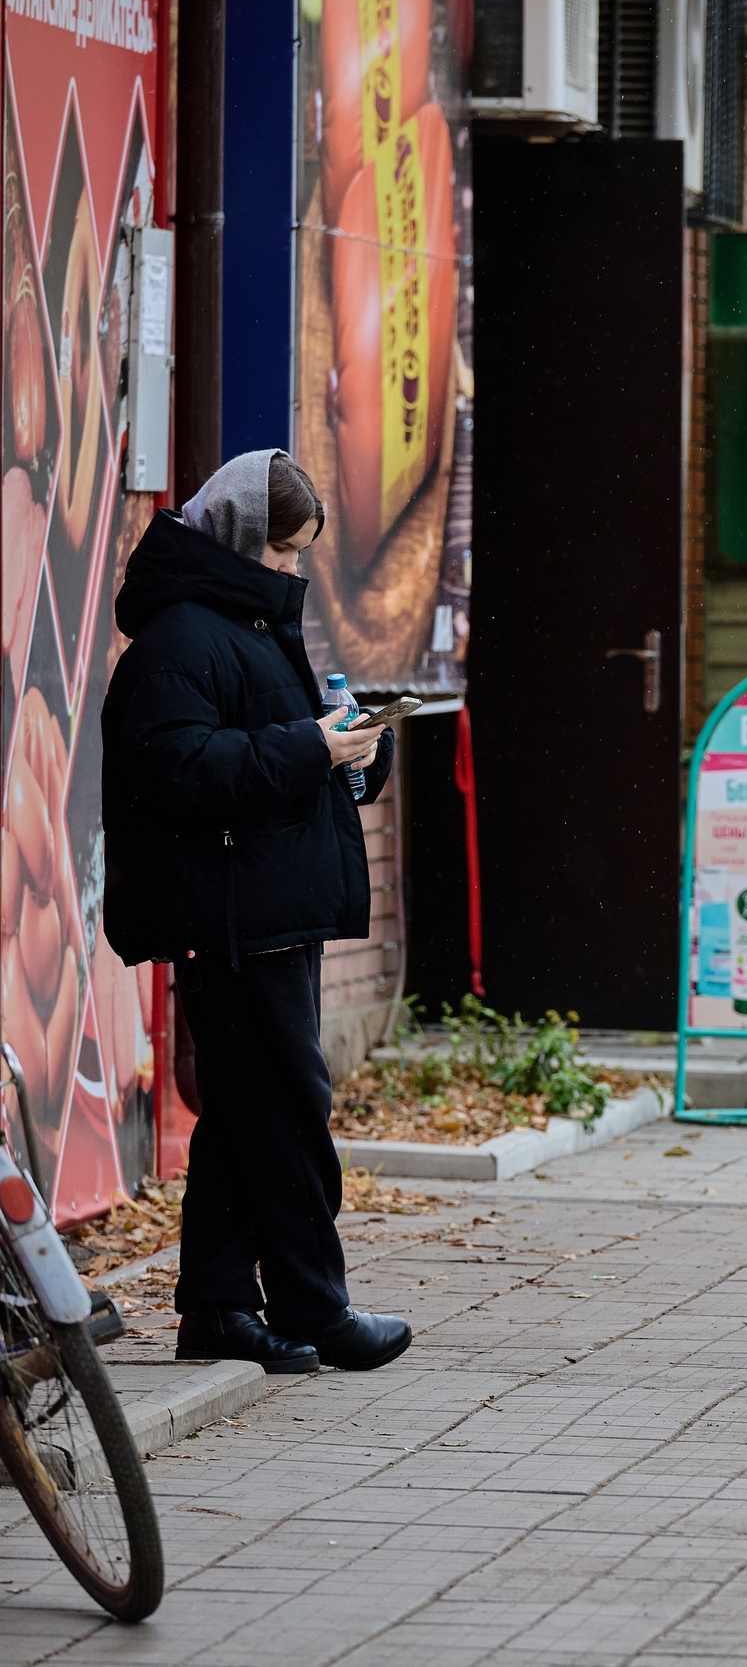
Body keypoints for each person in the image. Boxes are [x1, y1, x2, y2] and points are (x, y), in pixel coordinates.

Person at [101, 449, 411, 1375]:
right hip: (232, 919)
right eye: (283, 551)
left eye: (302, 553)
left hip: (266, 909)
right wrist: (308, 745)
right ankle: (317, 1307)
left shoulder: (241, 621)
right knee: (285, 1113)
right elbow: (183, 774)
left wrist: (354, 752)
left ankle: (220, 1309)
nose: (294, 571)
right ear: (239, 536)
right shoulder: (180, 638)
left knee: (245, 1119)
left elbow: (274, 756)